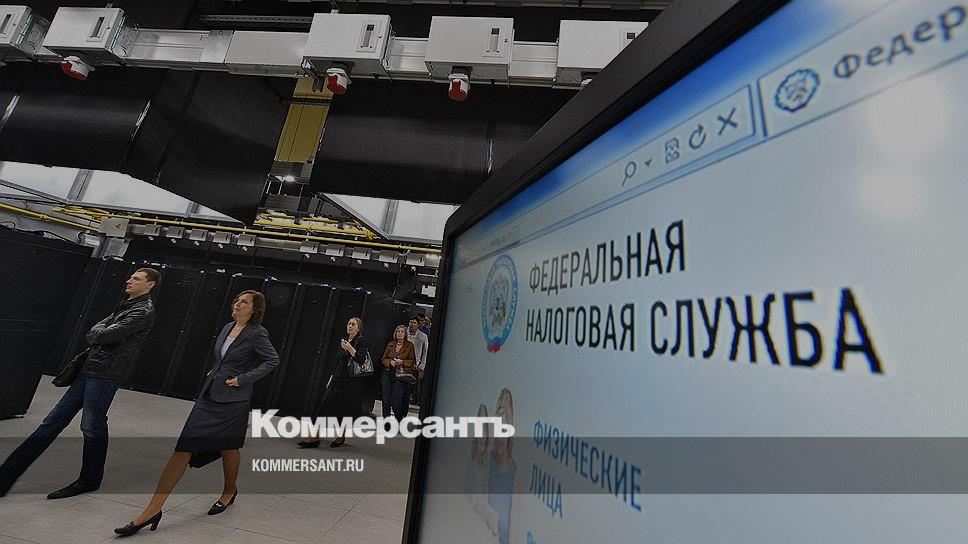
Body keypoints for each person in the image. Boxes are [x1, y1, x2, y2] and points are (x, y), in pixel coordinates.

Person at [115, 290, 279, 536]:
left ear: (255, 309)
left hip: (233, 401)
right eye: (236, 300)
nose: (237, 304)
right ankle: (152, 510)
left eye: (244, 302)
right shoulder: (227, 327)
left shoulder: (257, 333)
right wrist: (216, 372)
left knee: (229, 448)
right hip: (209, 396)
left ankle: (229, 491)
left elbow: (272, 360)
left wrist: (243, 379)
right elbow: (222, 359)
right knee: (183, 448)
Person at [0, 268, 159, 499]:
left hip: (105, 375)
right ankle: (5, 477)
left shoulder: (143, 311)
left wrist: (99, 332)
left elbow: (102, 335)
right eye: (131, 277)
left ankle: (90, 479)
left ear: (150, 284)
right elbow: (95, 330)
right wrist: (99, 332)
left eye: (136, 278)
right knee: (52, 423)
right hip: (89, 371)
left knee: (92, 426)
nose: (129, 280)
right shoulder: (128, 305)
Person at [297, 317, 370, 449]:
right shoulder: (344, 340)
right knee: (325, 406)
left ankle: (341, 436)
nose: (350, 326)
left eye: (353, 324)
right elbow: (338, 360)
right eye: (349, 324)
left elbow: (361, 358)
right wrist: (332, 376)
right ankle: (315, 437)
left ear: (358, 328)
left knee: (345, 409)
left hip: (351, 381)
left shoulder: (361, 341)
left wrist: (349, 348)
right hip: (338, 378)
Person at [380, 325, 416, 420]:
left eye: (402, 331)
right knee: (385, 400)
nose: (400, 333)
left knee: (395, 401)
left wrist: (402, 362)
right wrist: (390, 362)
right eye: (398, 331)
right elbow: (383, 358)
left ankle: (399, 419)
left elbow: (412, 361)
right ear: (395, 333)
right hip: (388, 373)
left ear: (405, 334)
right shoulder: (390, 344)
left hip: (401, 375)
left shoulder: (409, 345)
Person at [408, 315, 429, 405]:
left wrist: (422, 365)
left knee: (414, 382)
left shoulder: (423, 336)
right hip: (403, 361)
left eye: (414, 323)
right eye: (410, 322)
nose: (412, 324)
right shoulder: (404, 332)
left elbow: (425, 351)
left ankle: (414, 398)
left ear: (418, 325)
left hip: (416, 363)